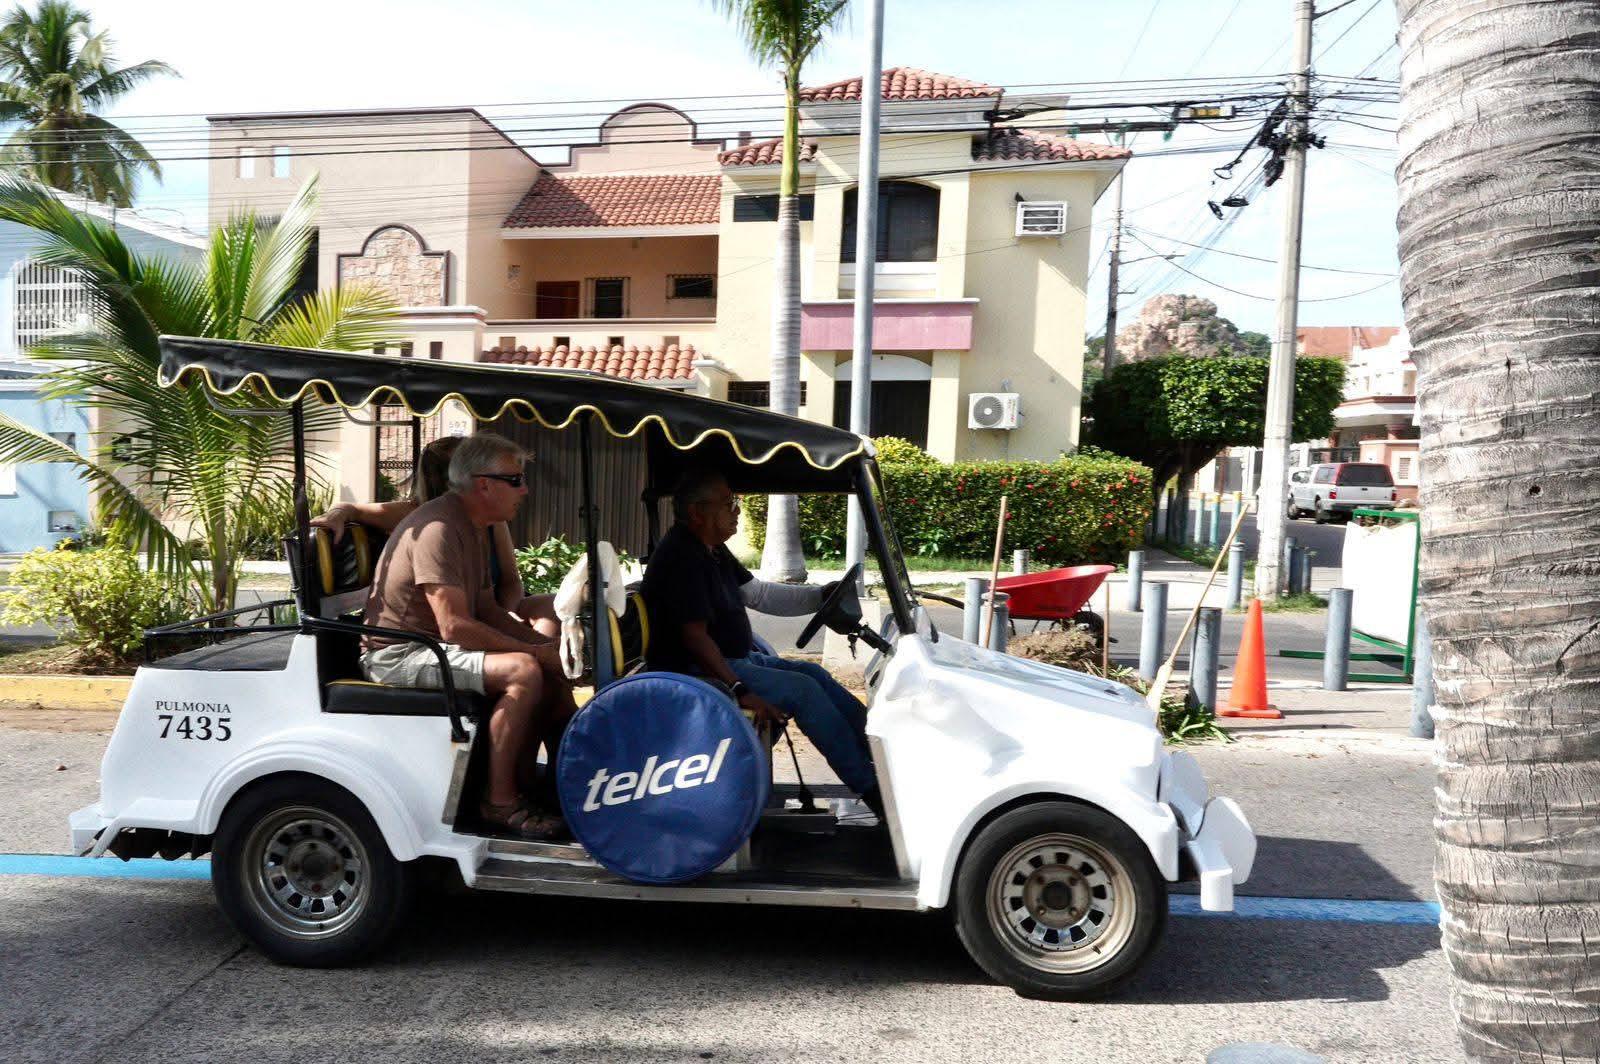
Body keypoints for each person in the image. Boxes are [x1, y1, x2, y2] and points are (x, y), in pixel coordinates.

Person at [361, 432, 576, 839]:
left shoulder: (473, 524)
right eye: (516, 480)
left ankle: (540, 782)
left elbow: (489, 609)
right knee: (522, 672)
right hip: (399, 655)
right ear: (483, 485)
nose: (525, 489)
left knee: (542, 667)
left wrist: (546, 648)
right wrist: (532, 655)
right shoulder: (439, 528)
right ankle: (499, 802)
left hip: (432, 646)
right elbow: (454, 625)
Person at [642, 468, 884, 818]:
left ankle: (883, 757)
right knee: (804, 691)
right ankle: (872, 788)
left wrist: (819, 597)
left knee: (812, 675)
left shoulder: (710, 550)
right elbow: (693, 638)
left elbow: (758, 594)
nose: (736, 511)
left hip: (736, 658)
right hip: (700, 671)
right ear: (697, 512)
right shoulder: (683, 557)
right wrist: (739, 688)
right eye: (728, 504)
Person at [313, 435, 558, 638]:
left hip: (486, 607)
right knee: (523, 668)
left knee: (551, 606)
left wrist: (509, 613)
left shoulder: (489, 518)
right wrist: (336, 515)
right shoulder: (425, 519)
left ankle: (553, 664)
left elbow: (509, 580)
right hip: (444, 621)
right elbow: (352, 508)